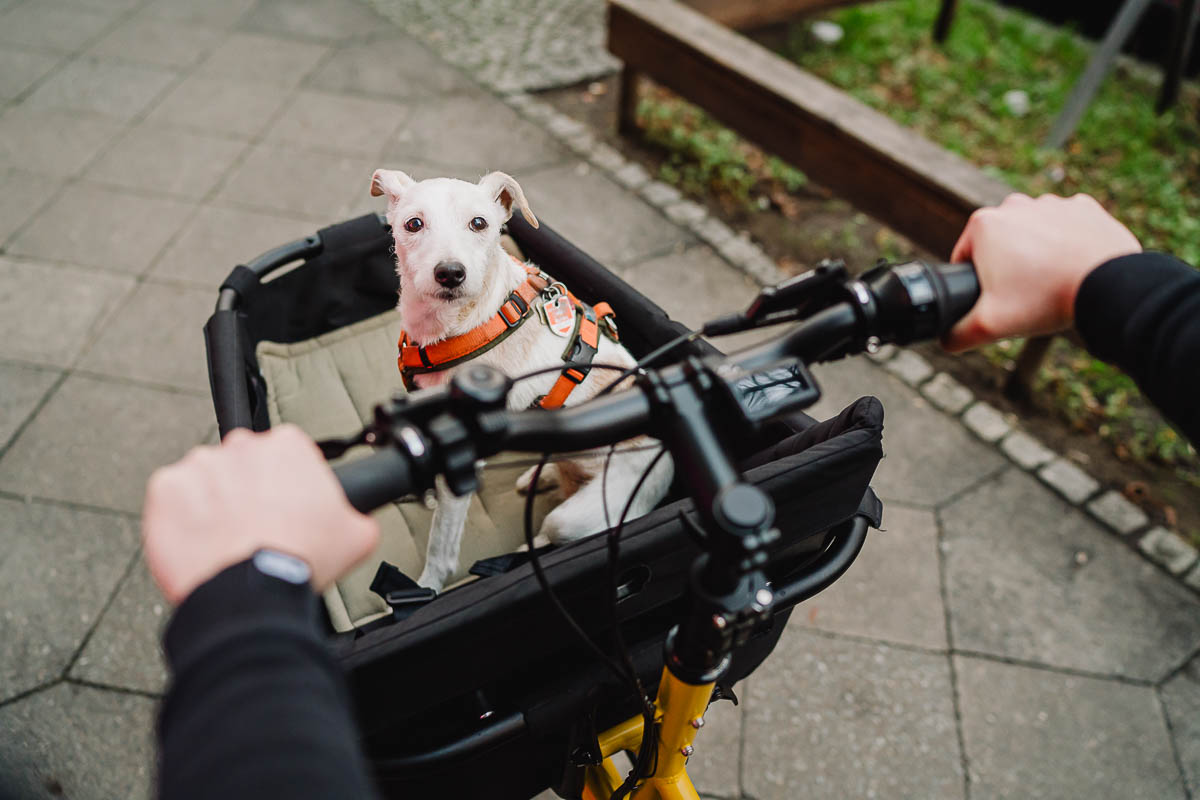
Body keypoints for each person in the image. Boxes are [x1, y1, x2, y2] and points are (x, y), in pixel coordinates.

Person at [146, 194, 1197, 798]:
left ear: (498, 225)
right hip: (673, 593)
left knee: (570, 521)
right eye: (417, 224)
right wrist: (1116, 286)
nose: (445, 252)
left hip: (484, 615)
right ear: (398, 219)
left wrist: (245, 603)